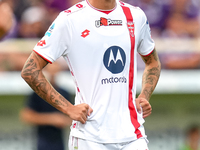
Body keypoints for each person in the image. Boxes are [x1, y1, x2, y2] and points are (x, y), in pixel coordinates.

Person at [21, 0, 161, 149]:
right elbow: (30, 70)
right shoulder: (69, 19)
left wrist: (144, 96)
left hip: (133, 136)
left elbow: (153, 62)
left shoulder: (136, 16)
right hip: (89, 138)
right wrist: (68, 108)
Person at [20, 62, 73, 150]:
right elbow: (26, 116)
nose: (53, 74)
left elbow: (72, 117)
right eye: (50, 71)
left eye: (55, 71)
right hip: (42, 141)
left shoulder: (64, 93)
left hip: (59, 141)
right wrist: (51, 119)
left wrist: (64, 120)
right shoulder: (37, 93)